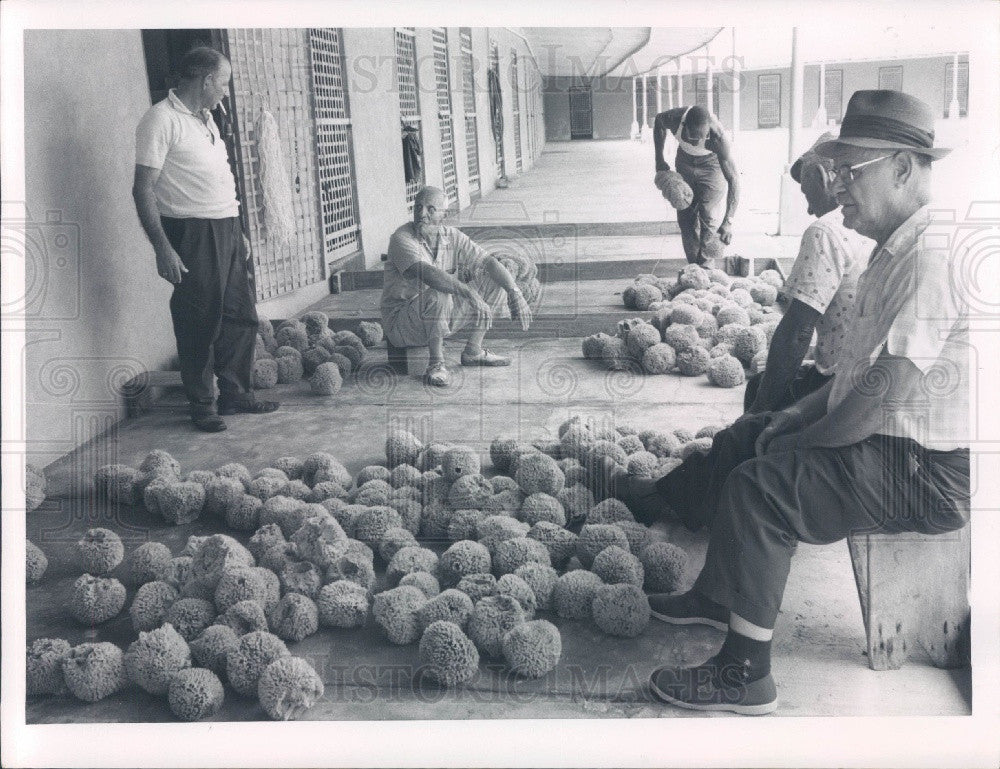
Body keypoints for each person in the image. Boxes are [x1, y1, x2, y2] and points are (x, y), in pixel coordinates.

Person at [641, 90, 970, 715]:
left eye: (853, 172)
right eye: (838, 172)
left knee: (764, 488)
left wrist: (799, 444)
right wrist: (790, 416)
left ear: (902, 168)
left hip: (925, 471)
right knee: (747, 441)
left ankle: (746, 675)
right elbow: (853, 375)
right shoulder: (894, 248)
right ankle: (720, 597)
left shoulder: (932, 256)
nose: (839, 186)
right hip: (895, 445)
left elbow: (878, 401)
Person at [133, 46, 278, 433]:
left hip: (226, 226)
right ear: (206, 79)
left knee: (240, 315)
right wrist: (162, 246)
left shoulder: (208, 119)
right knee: (199, 319)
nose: (226, 91)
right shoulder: (160, 120)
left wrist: (238, 230)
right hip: (191, 231)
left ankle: (236, 394)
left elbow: (218, 178)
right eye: (224, 82)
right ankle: (202, 405)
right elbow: (142, 190)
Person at [744, 131, 873, 412]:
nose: (809, 208)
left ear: (821, 176)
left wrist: (756, 415)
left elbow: (797, 332)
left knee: (759, 394)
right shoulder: (877, 221)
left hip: (843, 386)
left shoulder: (826, 230)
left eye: (807, 193)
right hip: (871, 377)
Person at [380, 186, 532, 387]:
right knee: (440, 292)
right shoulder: (402, 238)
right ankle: (436, 364)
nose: (421, 214)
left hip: (437, 317)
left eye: (430, 209)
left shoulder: (452, 236)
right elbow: (430, 275)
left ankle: (473, 351)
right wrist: (470, 293)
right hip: (402, 325)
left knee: (497, 278)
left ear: (445, 214)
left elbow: (490, 262)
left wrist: (515, 292)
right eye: (418, 207)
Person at [652, 104, 740, 267]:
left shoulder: (718, 139)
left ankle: (706, 268)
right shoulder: (674, 118)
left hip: (712, 166)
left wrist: (728, 221)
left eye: (700, 138)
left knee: (709, 215)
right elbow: (658, 122)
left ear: (708, 133)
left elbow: (734, 179)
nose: (694, 142)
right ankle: (694, 268)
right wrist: (659, 158)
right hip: (684, 160)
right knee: (685, 214)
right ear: (683, 125)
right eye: (691, 137)